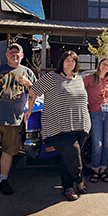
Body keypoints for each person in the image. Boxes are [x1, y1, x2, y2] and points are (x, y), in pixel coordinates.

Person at [24, 51, 91, 201]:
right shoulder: (52, 77)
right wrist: (29, 109)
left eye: (73, 60)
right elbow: (33, 90)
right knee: (73, 153)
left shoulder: (79, 79)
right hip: (58, 126)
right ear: (62, 62)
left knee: (68, 157)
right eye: (67, 60)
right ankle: (79, 179)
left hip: (81, 126)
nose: (70, 63)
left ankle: (67, 187)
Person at [0, 43, 36, 195]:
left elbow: (35, 92)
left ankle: (3, 180)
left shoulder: (27, 72)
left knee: (8, 152)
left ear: (22, 56)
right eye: (11, 52)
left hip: (14, 120)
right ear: (6, 54)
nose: (14, 55)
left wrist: (29, 107)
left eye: (17, 53)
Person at [83, 57, 108, 183]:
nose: (105, 67)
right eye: (104, 64)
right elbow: (80, 92)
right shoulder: (89, 78)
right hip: (95, 113)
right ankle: (95, 169)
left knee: (107, 144)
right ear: (99, 65)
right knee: (97, 144)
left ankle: (103, 169)